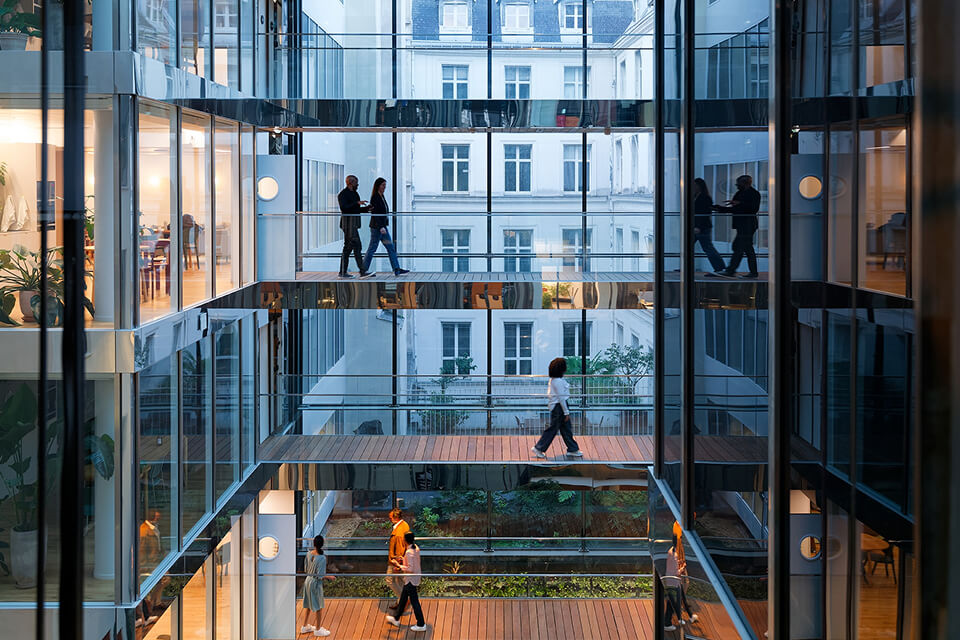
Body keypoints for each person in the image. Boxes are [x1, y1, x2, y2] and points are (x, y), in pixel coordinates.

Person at [531, 357, 583, 458]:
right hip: (559, 407)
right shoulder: (558, 381)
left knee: (565, 428)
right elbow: (561, 397)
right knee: (554, 429)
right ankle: (539, 448)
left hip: (557, 406)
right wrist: (566, 412)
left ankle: (573, 449)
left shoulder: (553, 380)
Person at [712, 174, 761, 278]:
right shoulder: (741, 193)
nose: (737, 186)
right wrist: (721, 209)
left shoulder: (753, 194)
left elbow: (753, 209)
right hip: (743, 225)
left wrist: (737, 204)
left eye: (738, 184)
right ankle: (751, 272)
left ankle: (731, 270)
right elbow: (736, 208)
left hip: (748, 225)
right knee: (746, 248)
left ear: (745, 183)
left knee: (739, 247)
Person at [362, 177, 409, 276]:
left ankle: (396, 269)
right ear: (378, 186)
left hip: (382, 227)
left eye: (385, 185)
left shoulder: (381, 196)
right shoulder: (375, 197)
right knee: (372, 248)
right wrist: (381, 227)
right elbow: (375, 213)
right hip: (377, 228)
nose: (384, 187)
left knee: (390, 247)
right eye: (383, 185)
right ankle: (363, 270)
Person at [385, 532, 427, 632]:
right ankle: (396, 618)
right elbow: (412, 562)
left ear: (405, 540)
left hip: (411, 579)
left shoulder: (409, 552)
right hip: (413, 578)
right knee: (403, 599)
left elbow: (410, 568)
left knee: (414, 602)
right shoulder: (415, 548)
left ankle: (421, 624)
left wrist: (399, 566)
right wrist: (402, 559)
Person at [337, 175, 373, 279]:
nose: (357, 185)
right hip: (348, 225)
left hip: (353, 224)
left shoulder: (355, 194)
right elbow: (344, 208)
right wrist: (356, 203)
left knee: (348, 248)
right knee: (356, 246)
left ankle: (344, 272)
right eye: (356, 183)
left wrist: (366, 209)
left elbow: (355, 209)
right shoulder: (343, 194)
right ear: (350, 183)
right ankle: (362, 271)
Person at [300, 534, 334, 637]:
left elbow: (306, 569)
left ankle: (304, 626)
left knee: (308, 604)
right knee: (319, 606)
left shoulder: (308, 554)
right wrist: (330, 577)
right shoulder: (322, 558)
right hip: (315, 583)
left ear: (314, 543)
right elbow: (320, 576)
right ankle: (318, 629)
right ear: (322, 544)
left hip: (308, 581)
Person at [693, 178, 726, 274]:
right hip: (697, 226)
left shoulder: (704, 197)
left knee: (708, 248)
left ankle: (720, 268)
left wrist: (698, 227)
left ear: (699, 186)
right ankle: (720, 268)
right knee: (690, 247)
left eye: (695, 185)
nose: (693, 187)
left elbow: (704, 213)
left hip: (702, 227)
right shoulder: (696, 196)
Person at [385, 508, 411, 614]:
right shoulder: (404, 525)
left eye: (390, 517)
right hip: (401, 561)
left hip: (395, 561)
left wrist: (397, 565)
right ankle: (401, 601)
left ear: (395, 518)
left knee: (389, 580)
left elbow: (400, 551)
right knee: (399, 581)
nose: (390, 519)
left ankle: (404, 599)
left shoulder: (399, 533)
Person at [663, 534, 684, 632]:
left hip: (670, 581)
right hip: (673, 581)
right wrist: (682, 568)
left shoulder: (670, 551)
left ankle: (676, 619)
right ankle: (667, 623)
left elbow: (671, 566)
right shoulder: (674, 555)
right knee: (672, 603)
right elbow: (676, 572)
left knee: (672, 601)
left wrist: (678, 563)